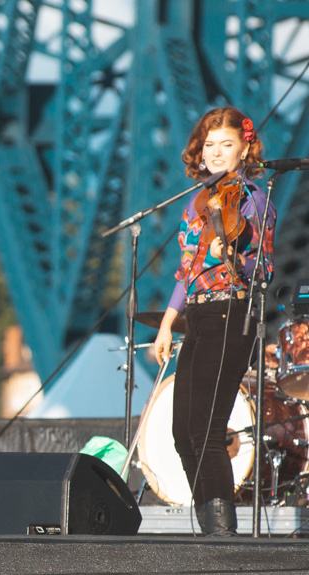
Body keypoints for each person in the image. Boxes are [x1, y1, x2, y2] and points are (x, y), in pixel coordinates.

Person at [153, 107, 276, 536]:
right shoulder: (198, 201)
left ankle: (225, 536)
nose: (217, 152)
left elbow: (264, 266)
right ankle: (211, 529)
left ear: (245, 149)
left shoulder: (252, 197)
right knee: (182, 433)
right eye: (210, 145)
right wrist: (168, 323)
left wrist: (234, 250)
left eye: (227, 144)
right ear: (199, 152)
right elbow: (186, 271)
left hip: (232, 309)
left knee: (206, 430)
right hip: (200, 315)